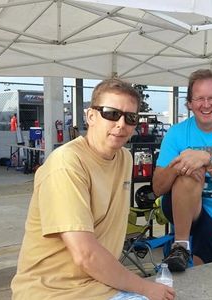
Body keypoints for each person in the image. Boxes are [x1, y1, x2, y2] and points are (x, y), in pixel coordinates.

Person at [11, 79, 175, 300]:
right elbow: (85, 254)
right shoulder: (67, 164)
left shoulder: (124, 158)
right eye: (111, 113)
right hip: (53, 291)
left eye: (131, 117)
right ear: (90, 116)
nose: (121, 124)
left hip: (98, 284)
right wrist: (145, 287)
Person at [152, 69, 212, 272]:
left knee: (207, 274)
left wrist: (207, 159)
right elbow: (158, 188)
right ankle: (180, 246)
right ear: (189, 103)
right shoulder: (176, 132)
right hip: (179, 204)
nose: (206, 105)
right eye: (199, 99)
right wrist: (181, 165)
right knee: (188, 174)